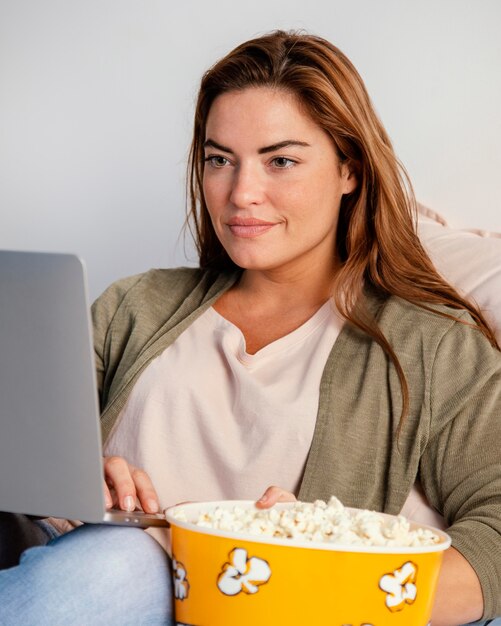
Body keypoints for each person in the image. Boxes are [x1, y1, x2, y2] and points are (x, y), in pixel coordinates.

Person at [1, 30, 500, 626]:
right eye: (219, 160)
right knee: (117, 562)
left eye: (281, 160)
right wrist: (70, 486)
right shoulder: (133, 306)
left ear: (350, 170)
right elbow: (21, 464)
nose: (241, 193)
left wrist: (326, 570)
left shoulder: (432, 345)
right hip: (88, 591)